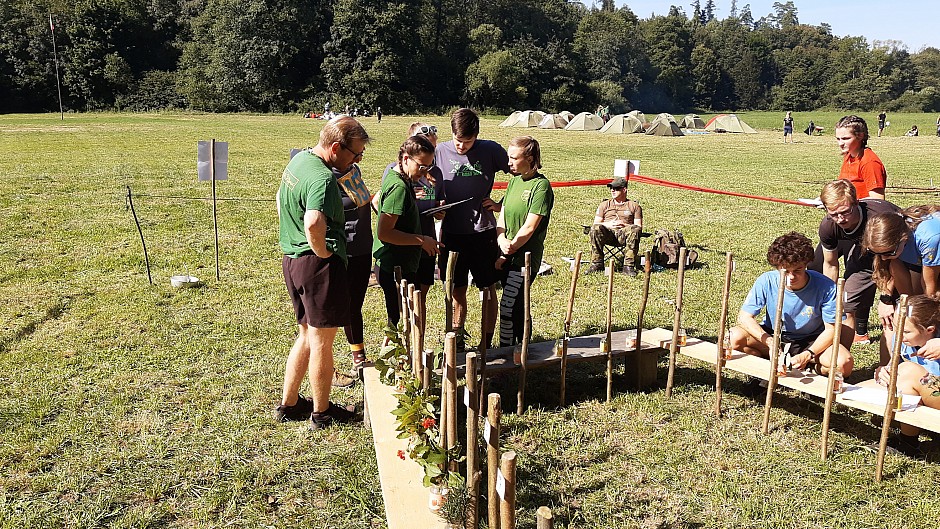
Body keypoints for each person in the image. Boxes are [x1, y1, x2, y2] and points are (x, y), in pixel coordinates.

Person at [274, 115, 368, 429]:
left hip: (293, 259)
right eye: (355, 154)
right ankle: (322, 412)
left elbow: (279, 199)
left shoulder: (299, 161)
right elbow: (314, 221)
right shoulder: (323, 179)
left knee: (305, 335)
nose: (357, 160)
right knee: (322, 341)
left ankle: (289, 403)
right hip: (316, 265)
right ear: (336, 148)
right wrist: (324, 252)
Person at [729, 232, 853, 379]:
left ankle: (813, 369)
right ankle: (766, 369)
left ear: (806, 264)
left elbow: (831, 330)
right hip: (776, 336)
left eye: (797, 270)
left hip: (812, 340)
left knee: (843, 364)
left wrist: (808, 354)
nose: (791, 277)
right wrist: (769, 341)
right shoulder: (766, 280)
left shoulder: (826, 287)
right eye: (785, 271)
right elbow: (744, 317)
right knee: (734, 338)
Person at [435, 108, 509, 351]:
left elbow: (520, 175)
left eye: (467, 142)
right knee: (456, 289)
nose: (461, 147)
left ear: (476, 135)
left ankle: (486, 344)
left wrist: (501, 204)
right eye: (458, 141)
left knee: (487, 288)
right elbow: (424, 181)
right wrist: (435, 205)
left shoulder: (491, 150)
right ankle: (456, 339)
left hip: (482, 232)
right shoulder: (439, 151)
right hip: (451, 233)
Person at [372, 122, 445, 335]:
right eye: (421, 167)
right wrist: (422, 240)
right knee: (398, 320)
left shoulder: (402, 181)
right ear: (406, 159)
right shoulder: (399, 188)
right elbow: (385, 232)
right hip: (394, 263)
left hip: (401, 262)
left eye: (429, 168)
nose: (424, 174)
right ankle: (397, 362)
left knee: (401, 318)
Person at [809, 180, 900, 344]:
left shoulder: (878, 217)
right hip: (863, 253)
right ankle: (841, 359)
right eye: (833, 214)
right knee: (845, 305)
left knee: (896, 308)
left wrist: (887, 298)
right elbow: (830, 264)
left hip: (896, 255)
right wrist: (829, 297)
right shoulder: (829, 226)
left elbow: (895, 262)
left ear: (856, 203)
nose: (840, 219)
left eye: (845, 212)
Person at [495, 136, 554, 347]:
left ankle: (517, 349)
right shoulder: (514, 181)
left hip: (523, 257)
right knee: (511, 305)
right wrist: (501, 238)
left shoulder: (541, 186)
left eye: (513, 158)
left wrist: (509, 248)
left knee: (510, 304)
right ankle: (509, 348)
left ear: (529, 158)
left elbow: (530, 226)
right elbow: (502, 214)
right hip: (506, 252)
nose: (508, 162)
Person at [873, 294, 940, 457]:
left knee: (909, 370)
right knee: (868, 387)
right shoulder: (901, 339)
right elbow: (893, 368)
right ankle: (908, 425)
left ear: (929, 330)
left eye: (906, 331)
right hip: (922, 392)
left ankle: (908, 441)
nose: (899, 335)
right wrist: (883, 372)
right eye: (896, 327)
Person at [334, 161, 373, 381]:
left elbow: (361, 199)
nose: (360, 155)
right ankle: (326, 366)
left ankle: (358, 355)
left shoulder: (353, 169)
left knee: (354, 305)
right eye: (356, 150)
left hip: (362, 248)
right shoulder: (324, 172)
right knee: (338, 307)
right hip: (342, 251)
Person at [585, 176, 643, 276]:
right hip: (608, 234)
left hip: (624, 235)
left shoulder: (634, 206)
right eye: (611, 188)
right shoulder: (604, 205)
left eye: (616, 188)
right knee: (595, 228)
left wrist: (624, 225)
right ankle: (597, 263)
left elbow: (639, 226)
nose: (612, 190)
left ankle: (628, 266)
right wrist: (609, 224)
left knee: (635, 229)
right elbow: (596, 223)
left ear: (624, 189)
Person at [835, 115, 886, 200]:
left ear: (860, 136)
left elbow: (878, 200)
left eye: (846, 138)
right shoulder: (849, 156)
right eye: (838, 139)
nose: (840, 143)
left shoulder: (869, 162)